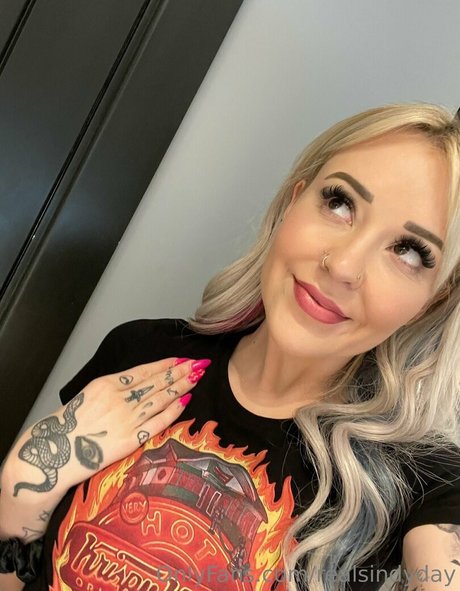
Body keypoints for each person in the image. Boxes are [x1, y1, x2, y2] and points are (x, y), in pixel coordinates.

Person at [1, 103, 459, 591]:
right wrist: (19, 493)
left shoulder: (424, 486)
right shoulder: (141, 352)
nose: (343, 266)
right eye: (340, 203)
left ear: (435, 300)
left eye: (409, 252)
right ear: (292, 202)